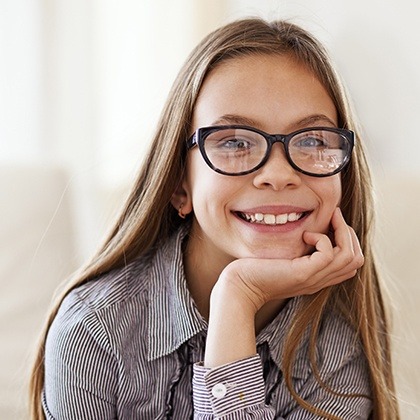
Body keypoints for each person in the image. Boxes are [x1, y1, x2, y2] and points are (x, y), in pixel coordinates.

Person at [29, 18, 400, 419]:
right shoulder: (93, 332)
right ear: (179, 186)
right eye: (235, 142)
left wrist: (237, 298)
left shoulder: (335, 345)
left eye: (312, 140)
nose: (277, 174)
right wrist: (239, 295)